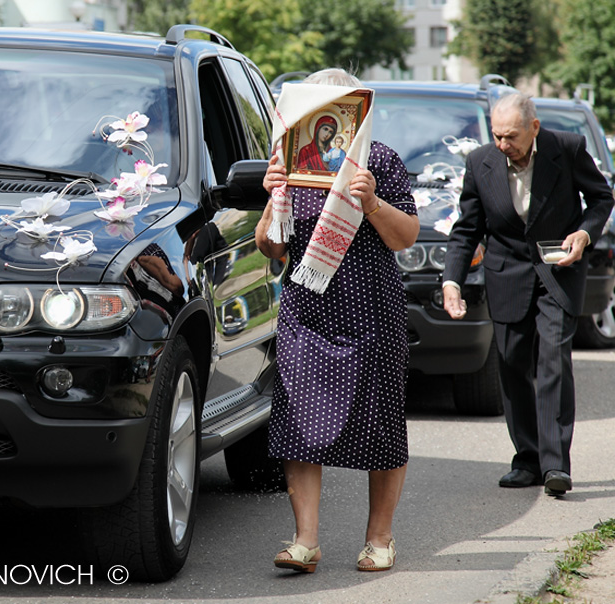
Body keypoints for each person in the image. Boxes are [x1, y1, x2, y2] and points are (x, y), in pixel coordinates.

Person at [256, 67, 419, 573]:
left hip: (371, 308)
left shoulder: (380, 162)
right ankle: (305, 540)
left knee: (381, 421)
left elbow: (406, 236)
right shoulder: (290, 161)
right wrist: (272, 197)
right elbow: (272, 248)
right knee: (298, 420)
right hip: (308, 309)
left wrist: (369, 202)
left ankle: (379, 539)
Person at [442, 92, 614, 497]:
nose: (504, 145)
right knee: (513, 365)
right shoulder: (480, 161)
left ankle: (556, 465)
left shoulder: (566, 148)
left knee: (554, 359)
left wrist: (584, 233)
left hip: (559, 270)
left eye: (512, 137)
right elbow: (467, 229)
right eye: (498, 136)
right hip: (507, 274)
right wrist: (452, 281)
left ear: (534, 127)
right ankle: (528, 459)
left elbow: (602, 198)